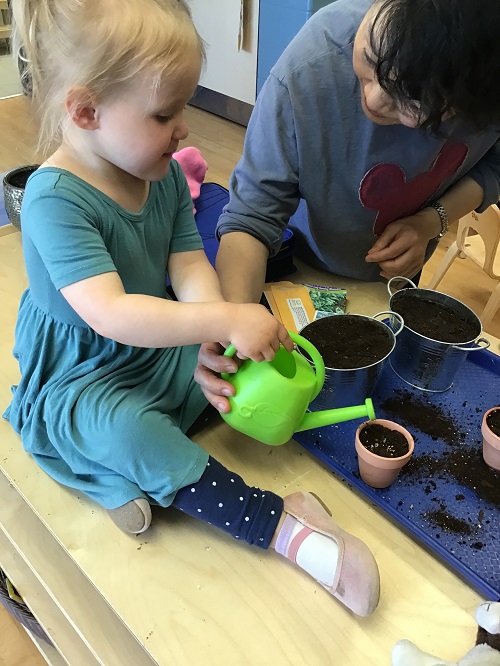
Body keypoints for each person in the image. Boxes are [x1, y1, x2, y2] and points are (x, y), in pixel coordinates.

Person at [3, 0, 380, 617]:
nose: (185, 129)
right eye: (164, 113)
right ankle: (281, 523)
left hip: (155, 342)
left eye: (185, 106)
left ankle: (138, 475)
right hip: (86, 373)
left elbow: (188, 268)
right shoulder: (52, 198)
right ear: (85, 110)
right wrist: (220, 320)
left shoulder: (165, 176)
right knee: (124, 429)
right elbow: (112, 313)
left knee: (216, 375)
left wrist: (217, 338)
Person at [195, 0, 500, 412]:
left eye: (411, 104)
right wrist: (232, 324)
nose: (373, 100)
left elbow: (492, 167)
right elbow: (252, 215)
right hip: (293, 267)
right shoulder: (310, 67)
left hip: (390, 284)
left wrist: (432, 221)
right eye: (370, 60)